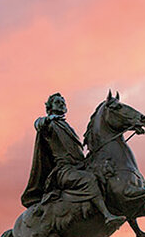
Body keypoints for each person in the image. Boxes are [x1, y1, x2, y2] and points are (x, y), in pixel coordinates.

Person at [21, 93, 125, 229]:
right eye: (57, 102)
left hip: (78, 166)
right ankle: (107, 215)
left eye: (63, 102)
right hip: (65, 171)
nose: (62, 104)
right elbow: (38, 124)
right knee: (89, 179)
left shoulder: (67, 126)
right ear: (50, 107)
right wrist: (47, 119)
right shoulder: (50, 124)